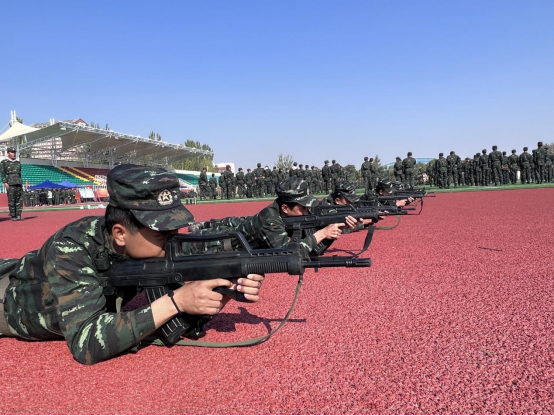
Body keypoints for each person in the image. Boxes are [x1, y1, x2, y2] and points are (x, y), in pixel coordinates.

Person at [0, 165, 264, 365]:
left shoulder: (150, 249)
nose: (173, 241)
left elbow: (178, 321)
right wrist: (176, 302)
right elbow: (86, 342)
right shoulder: (71, 246)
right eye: (162, 233)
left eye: (175, 229)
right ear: (120, 234)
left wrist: (220, 292)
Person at [1, 147, 24, 221]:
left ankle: (18, 215)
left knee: (19, 199)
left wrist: (21, 182)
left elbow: (19, 173)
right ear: (8, 153)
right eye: (12, 152)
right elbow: (3, 173)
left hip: (18, 182)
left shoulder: (18, 163)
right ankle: (13, 215)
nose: (14, 154)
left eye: (14, 152)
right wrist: (5, 182)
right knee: (11, 199)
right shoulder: (4, 162)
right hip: (10, 183)